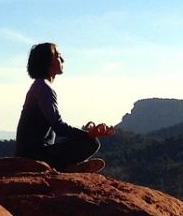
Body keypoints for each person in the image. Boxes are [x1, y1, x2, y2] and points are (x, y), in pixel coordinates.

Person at [15, 42, 113, 173]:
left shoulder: (40, 86)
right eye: (58, 56)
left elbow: (56, 128)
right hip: (34, 156)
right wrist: (88, 134)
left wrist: (82, 133)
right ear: (47, 61)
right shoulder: (43, 87)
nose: (62, 60)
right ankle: (67, 168)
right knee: (91, 143)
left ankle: (68, 167)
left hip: (32, 152)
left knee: (85, 139)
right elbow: (59, 126)